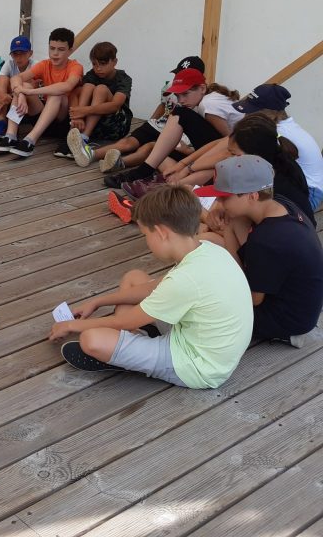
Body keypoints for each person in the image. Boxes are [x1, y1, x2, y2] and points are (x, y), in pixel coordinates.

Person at [49, 185, 253, 389]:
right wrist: (98, 301)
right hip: (201, 340)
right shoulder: (207, 249)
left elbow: (124, 322)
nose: (147, 241)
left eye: (146, 234)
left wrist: (70, 325)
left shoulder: (185, 279)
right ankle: (136, 344)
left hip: (198, 366)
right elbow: (153, 288)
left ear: (162, 232)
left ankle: (131, 354)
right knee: (134, 278)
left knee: (91, 340)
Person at [195, 155, 323, 347]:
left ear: (252, 196)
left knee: (204, 306)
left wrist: (228, 232)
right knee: (227, 228)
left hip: (289, 319)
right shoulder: (279, 203)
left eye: (224, 197)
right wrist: (227, 217)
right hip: (302, 301)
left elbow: (253, 300)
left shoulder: (266, 240)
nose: (219, 201)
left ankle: (288, 335)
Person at [106, 68, 242, 192]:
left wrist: (188, 163)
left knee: (180, 114)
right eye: (178, 96)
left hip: (234, 158)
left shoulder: (208, 104)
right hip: (223, 157)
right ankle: (165, 178)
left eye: (185, 94)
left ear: (202, 88)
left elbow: (230, 142)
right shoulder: (203, 100)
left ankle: (146, 174)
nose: (181, 100)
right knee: (161, 151)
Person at [95, 56, 204, 175]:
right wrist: (151, 121)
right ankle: (92, 154)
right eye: (177, 74)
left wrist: (189, 150)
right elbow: (163, 105)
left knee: (149, 148)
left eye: (183, 75)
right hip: (161, 125)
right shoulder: (170, 87)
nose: (177, 78)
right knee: (130, 142)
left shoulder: (203, 102)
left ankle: (119, 163)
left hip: (181, 138)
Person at [231, 83, 323, 212]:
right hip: (299, 187)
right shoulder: (281, 126)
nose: (245, 115)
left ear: (269, 113)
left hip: (309, 194)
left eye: (250, 111)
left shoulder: (278, 132)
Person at [0, 27, 83, 157]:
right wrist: (22, 94)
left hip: (63, 121)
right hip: (43, 118)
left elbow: (67, 86)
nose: (55, 53)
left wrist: (29, 92)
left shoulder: (76, 66)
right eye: (52, 48)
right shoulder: (44, 64)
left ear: (70, 50)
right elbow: (16, 78)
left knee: (56, 94)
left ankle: (30, 141)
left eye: (61, 49)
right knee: (23, 85)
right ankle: (10, 136)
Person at [65, 41, 133, 164]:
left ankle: (84, 138)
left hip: (117, 125)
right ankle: (75, 132)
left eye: (103, 64)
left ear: (115, 62)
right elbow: (74, 93)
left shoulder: (123, 78)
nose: (98, 68)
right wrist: (78, 117)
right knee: (87, 86)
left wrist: (84, 111)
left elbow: (115, 105)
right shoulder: (92, 75)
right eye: (94, 64)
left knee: (101, 89)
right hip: (97, 125)